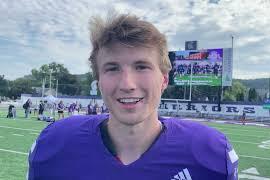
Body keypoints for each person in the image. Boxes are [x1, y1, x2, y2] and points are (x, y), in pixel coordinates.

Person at [27, 13, 238, 179]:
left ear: (164, 79)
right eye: (112, 68)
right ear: (98, 80)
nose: (127, 84)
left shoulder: (211, 155)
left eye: (141, 66)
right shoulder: (54, 146)